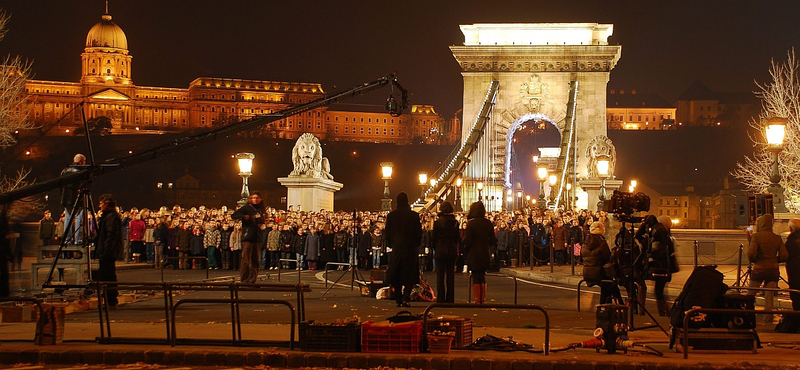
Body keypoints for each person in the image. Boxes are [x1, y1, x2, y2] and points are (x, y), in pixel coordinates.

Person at [747, 213, 788, 323]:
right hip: (773, 270)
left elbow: (751, 253)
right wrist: (775, 259)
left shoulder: (756, 236)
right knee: (769, 296)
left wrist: (755, 260)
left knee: (751, 294)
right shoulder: (777, 238)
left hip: (759, 269)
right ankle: (768, 318)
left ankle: (748, 315)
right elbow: (784, 255)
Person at [385, 192, 422, 307]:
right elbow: (418, 233)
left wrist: (391, 244)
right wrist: (416, 244)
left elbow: (387, 233)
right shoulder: (414, 216)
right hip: (410, 249)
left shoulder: (391, 216)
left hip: (397, 249)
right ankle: (406, 297)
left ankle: (398, 298)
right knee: (409, 274)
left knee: (396, 273)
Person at [462, 201, 497, 304]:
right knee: (482, 276)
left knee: (476, 276)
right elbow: (493, 240)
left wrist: (466, 249)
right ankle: (483, 299)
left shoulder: (471, 224)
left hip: (474, 252)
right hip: (485, 252)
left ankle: (477, 299)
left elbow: (468, 240)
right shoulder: (488, 223)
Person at [582, 221, 623, 305]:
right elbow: (607, 257)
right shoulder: (601, 242)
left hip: (587, 272)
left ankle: (607, 305)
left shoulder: (585, 243)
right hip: (599, 272)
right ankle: (616, 304)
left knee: (608, 285)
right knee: (610, 283)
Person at [94, 194, 123, 308]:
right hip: (107, 250)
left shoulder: (111, 217)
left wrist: (105, 251)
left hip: (108, 252)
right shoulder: (108, 216)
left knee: (108, 276)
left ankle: (110, 300)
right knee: (106, 275)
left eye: (101, 203)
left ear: (107, 204)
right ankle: (109, 299)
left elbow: (111, 236)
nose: (99, 206)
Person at [232, 193, 265, 283]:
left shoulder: (261, 209)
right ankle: (244, 278)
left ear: (260, 199)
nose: (255, 199)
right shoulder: (246, 208)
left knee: (255, 260)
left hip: (257, 236)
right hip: (248, 236)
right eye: (253, 198)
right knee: (246, 259)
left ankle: (253, 278)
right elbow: (234, 215)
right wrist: (244, 217)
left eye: (257, 198)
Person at [431, 201, 459, 303]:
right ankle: (450, 298)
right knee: (450, 276)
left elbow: (433, 238)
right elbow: (456, 238)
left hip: (440, 250)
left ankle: (441, 298)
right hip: (451, 250)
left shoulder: (437, 223)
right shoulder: (455, 223)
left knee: (440, 275)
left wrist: (435, 247)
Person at [60, 153, 86, 245]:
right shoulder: (82, 171)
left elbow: (61, 185)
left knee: (68, 219)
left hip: (66, 198)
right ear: (81, 161)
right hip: (78, 198)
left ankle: (67, 239)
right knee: (79, 219)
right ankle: (78, 239)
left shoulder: (65, 170)